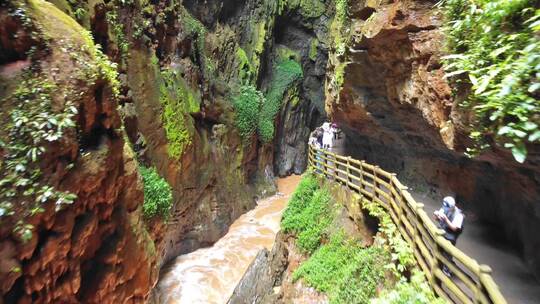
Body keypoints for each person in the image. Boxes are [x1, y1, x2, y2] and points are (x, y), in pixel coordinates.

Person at [434, 196, 464, 277]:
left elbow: (454, 228)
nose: (444, 208)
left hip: (451, 236)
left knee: (448, 253)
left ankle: (446, 269)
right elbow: (437, 219)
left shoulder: (459, 215)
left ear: (452, 207)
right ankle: (437, 264)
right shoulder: (445, 208)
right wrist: (437, 216)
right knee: (439, 249)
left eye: (447, 207)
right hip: (443, 232)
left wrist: (446, 219)